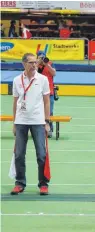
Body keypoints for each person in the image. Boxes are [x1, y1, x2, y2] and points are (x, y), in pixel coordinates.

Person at [11, 53, 51, 195]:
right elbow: (15, 102)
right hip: (21, 121)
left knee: (41, 154)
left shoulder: (43, 79)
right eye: (31, 62)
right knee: (19, 154)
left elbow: (47, 101)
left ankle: (43, 183)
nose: (34, 65)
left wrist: (47, 121)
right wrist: (14, 123)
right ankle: (20, 182)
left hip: (38, 121)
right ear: (24, 64)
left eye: (35, 62)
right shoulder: (16, 80)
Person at [37, 51, 56, 138]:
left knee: (50, 112)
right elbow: (34, 74)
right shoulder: (35, 65)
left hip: (50, 92)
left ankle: (50, 129)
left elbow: (54, 73)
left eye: (43, 57)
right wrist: (37, 63)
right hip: (38, 92)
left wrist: (47, 64)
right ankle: (39, 130)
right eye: (40, 57)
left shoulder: (50, 63)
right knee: (38, 112)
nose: (42, 59)